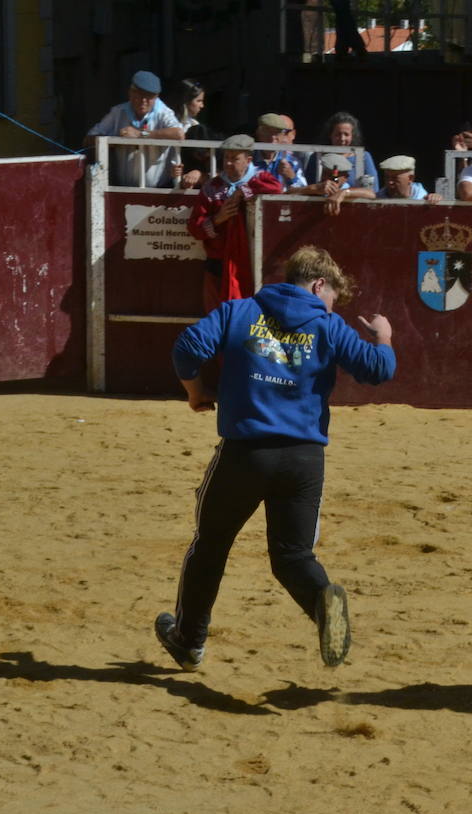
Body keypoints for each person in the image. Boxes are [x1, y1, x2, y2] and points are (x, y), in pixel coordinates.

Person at [154, 245, 395, 672]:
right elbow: (378, 370)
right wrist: (384, 337)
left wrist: (196, 394)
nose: (330, 303)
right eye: (332, 295)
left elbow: (186, 349)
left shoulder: (241, 311)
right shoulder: (328, 324)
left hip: (245, 454)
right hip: (303, 459)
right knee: (293, 557)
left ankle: (189, 641)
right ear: (319, 284)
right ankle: (323, 607)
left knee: (210, 546)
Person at [187, 134, 284, 311]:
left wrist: (242, 192)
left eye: (235, 158)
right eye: (227, 158)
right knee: (216, 318)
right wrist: (218, 219)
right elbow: (194, 227)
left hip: (254, 263)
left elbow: (277, 190)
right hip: (219, 264)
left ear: (248, 160)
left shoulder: (260, 180)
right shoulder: (212, 187)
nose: (229, 163)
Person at [83, 70, 185, 188]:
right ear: (130, 93)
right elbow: (88, 139)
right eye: (140, 95)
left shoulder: (163, 112)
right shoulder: (118, 112)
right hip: (123, 188)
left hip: (159, 189)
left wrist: (141, 134)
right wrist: (115, 141)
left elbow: (179, 134)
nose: (144, 101)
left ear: (156, 97)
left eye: (149, 97)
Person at [304, 111, 377, 187]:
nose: (342, 138)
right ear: (330, 135)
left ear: (352, 136)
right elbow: (308, 187)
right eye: (337, 134)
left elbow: (373, 189)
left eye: (346, 134)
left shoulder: (364, 157)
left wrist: (346, 193)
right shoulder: (317, 157)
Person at [292, 151, 377, 215]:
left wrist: (344, 193)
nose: (329, 179)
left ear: (345, 178)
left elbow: (371, 194)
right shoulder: (318, 188)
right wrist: (313, 189)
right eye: (326, 174)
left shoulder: (348, 189)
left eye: (335, 177)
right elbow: (288, 193)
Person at [254, 113, 307, 190]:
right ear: (258, 133)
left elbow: (304, 191)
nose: (272, 138)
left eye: (277, 133)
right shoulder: (248, 159)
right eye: (267, 132)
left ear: (282, 136)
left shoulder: (291, 161)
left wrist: (292, 177)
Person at [376, 155, 440, 202]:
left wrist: (434, 199)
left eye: (395, 178)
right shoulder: (378, 197)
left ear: (410, 179)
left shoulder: (423, 199)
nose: (390, 182)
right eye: (387, 177)